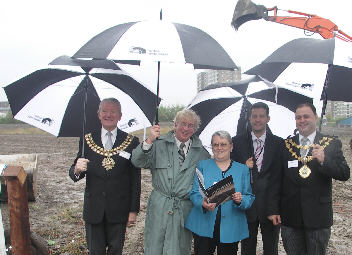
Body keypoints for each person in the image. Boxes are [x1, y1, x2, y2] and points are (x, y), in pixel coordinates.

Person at [131, 109, 209, 255]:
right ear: (175, 124)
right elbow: (137, 161)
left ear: (195, 129)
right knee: (154, 247)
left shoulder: (202, 154)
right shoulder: (157, 144)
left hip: (184, 209)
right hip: (159, 206)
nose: (186, 128)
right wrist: (149, 141)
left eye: (191, 125)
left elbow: (205, 186)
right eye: (183, 124)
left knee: (179, 248)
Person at [69, 98, 141, 255]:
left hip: (119, 209)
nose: (109, 115)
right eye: (105, 111)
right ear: (98, 114)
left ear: (120, 116)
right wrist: (77, 169)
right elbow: (75, 174)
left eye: (113, 111)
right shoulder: (87, 139)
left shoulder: (131, 142)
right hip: (94, 209)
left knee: (116, 251)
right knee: (95, 252)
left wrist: (133, 210)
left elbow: (135, 180)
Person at [280, 103, 350, 254]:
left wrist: (325, 161)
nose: (302, 120)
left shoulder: (330, 144)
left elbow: (344, 174)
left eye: (306, 116)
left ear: (315, 118)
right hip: (291, 218)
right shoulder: (286, 145)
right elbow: (278, 180)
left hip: (318, 218)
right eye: (298, 117)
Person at [185, 130, 255, 255]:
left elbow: (249, 197)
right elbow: (195, 192)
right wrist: (202, 202)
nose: (219, 148)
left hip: (231, 226)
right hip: (204, 224)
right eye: (215, 144)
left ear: (231, 146)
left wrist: (241, 200)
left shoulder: (242, 169)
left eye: (223, 144)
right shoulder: (202, 166)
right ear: (212, 147)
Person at [231, 102, 284, 255]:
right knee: (247, 248)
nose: (258, 120)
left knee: (271, 248)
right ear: (249, 118)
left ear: (268, 118)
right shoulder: (238, 142)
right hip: (247, 206)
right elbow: (229, 169)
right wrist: (243, 166)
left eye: (261, 116)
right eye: (254, 116)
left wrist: (276, 208)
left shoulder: (279, 143)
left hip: (271, 207)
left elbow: (280, 178)